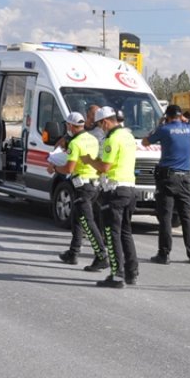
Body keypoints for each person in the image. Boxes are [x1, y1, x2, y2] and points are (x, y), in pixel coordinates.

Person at [84, 106, 140, 288]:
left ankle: (117, 276)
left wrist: (89, 160)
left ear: (106, 121)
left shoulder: (112, 139)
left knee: (112, 234)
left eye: (101, 125)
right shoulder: (128, 135)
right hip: (129, 188)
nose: (101, 129)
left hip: (114, 191)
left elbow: (105, 167)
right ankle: (132, 273)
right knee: (125, 232)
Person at [49, 112, 108, 272]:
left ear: (70, 126)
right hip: (94, 185)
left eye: (67, 125)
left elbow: (69, 168)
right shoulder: (92, 139)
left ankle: (101, 255)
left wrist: (54, 167)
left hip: (82, 186)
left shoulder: (75, 143)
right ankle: (73, 253)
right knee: (76, 218)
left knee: (88, 223)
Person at [144, 104, 190, 265]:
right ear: (180, 116)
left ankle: (164, 254)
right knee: (186, 216)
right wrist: (182, 119)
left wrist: (160, 124)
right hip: (186, 179)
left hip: (168, 178)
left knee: (166, 217)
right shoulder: (189, 128)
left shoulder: (165, 129)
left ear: (167, 116)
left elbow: (146, 142)